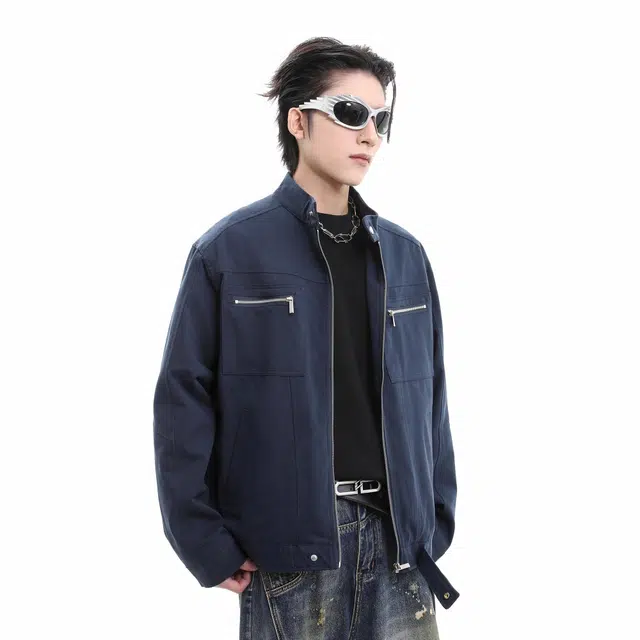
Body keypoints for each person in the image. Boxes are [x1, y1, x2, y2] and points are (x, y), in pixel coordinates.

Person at [153, 36, 458, 639]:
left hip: (400, 546)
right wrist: (204, 542)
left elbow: (432, 399)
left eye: (380, 119)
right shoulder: (230, 251)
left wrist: (434, 519)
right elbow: (183, 401)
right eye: (350, 113)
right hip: (289, 554)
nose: (370, 135)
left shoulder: (405, 255)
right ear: (298, 121)